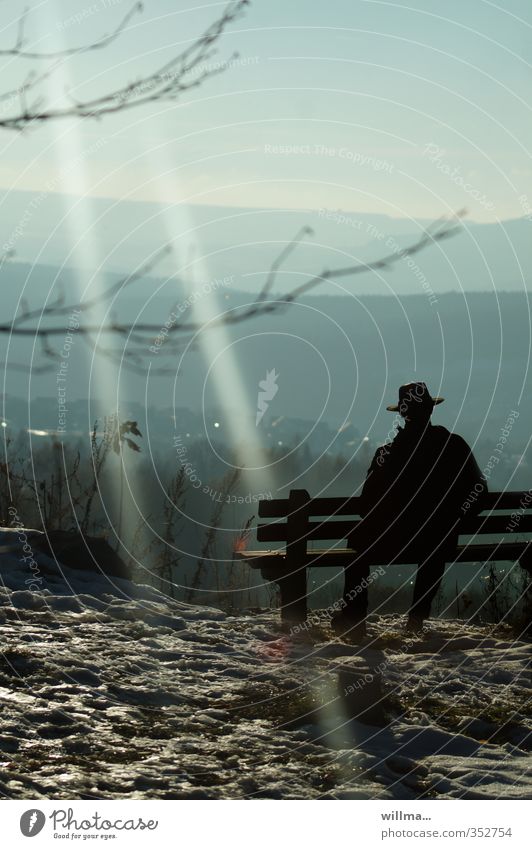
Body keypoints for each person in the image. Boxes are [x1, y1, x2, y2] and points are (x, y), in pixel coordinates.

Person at [332, 382, 486, 639]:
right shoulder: (453, 446)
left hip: (392, 540)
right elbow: (479, 493)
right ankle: (416, 618)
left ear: (403, 414)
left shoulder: (387, 454)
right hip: (438, 539)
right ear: (430, 411)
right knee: (434, 543)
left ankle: (354, 616)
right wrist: (455, 519)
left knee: (357, 542)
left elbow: (365, 506)